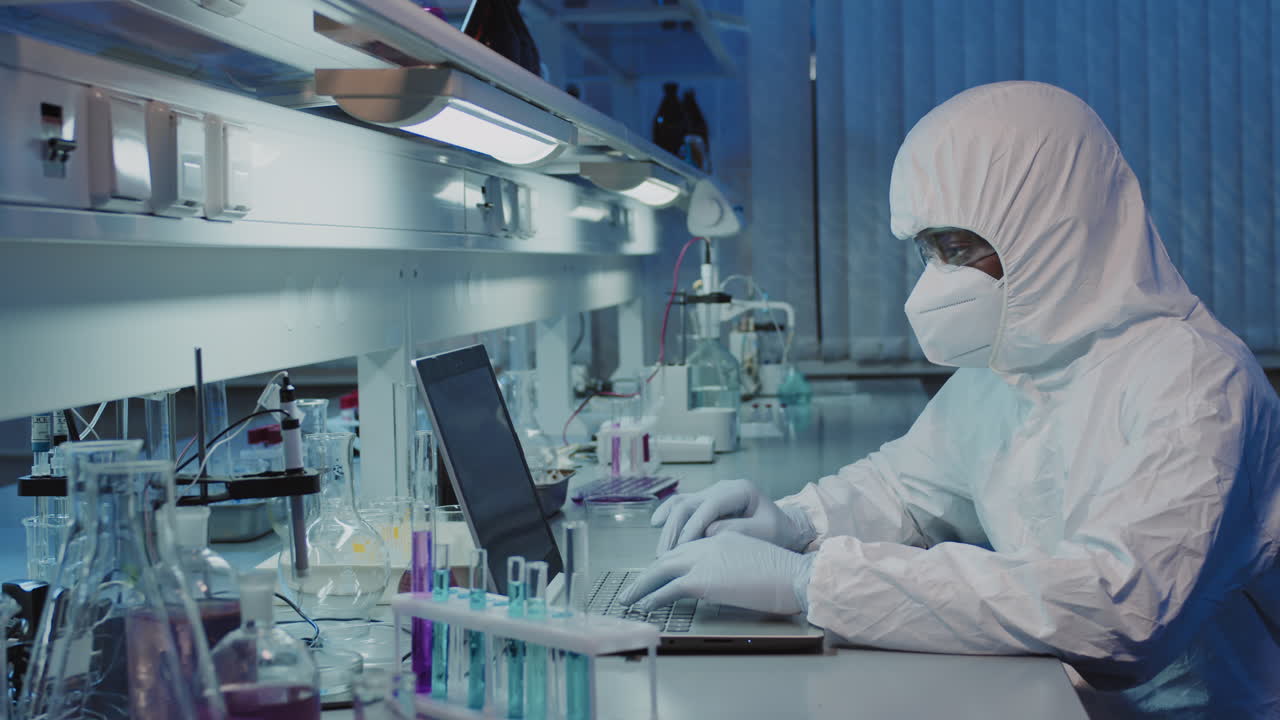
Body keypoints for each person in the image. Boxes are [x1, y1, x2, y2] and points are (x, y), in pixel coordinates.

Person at [617, 81, 1280, 718]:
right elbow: (907, 490)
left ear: (1051, 231)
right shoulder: (1014, 363)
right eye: (929, 251)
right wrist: (796, 522)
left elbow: (1118, 611)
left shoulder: (1197, 383)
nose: (937, 280)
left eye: (958, 248)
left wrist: (809, 582)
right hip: (1059, 694)